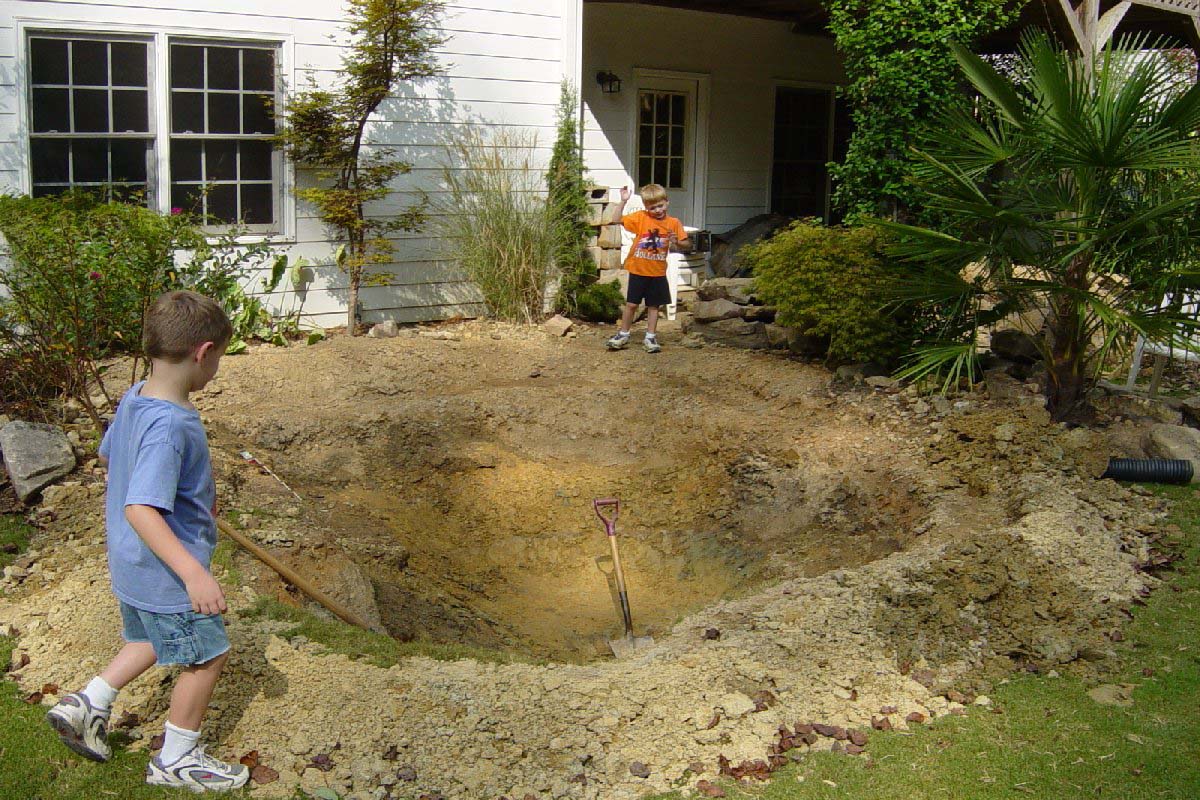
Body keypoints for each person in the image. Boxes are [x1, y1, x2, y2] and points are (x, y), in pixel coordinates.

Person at [45, 290, 249, 793]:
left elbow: (114, 459)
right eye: (219, 358)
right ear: (203, 352)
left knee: (148, 639)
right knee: (208, 654)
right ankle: (177, 758)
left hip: (132, 562)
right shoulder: (172, 425)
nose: (216, 367)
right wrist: (194, 572)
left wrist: (192, 503)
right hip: (165, 571)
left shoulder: (137, 396)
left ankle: (89, 702)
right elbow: (141, 507)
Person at [604, 183, 691, 354]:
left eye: (660, 205)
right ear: (646, 207)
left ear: (667, 202)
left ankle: (650, 336)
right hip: (638, 269)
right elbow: (616, 219)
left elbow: (687, 244)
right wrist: (623, 202)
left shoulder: (674, 223)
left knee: (653, 306)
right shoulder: (641, 217)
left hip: (657, 272)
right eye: (653, 207)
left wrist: (676, 241)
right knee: (631, 304)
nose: (658, 210)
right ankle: (623, 334)